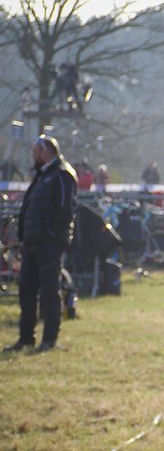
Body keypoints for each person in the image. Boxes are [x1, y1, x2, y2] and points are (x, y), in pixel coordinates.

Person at [5, 135, 78, 353]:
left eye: (36, 152)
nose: (33, 157)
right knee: (26, 290)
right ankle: (26, 338)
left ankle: (49, 339)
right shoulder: (43, 176)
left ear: (45, 152)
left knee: (49, 291)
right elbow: (30, 207)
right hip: (32, 243)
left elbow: (65, 210)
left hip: (48, 243)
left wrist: (50, 235)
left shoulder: (63, 174)